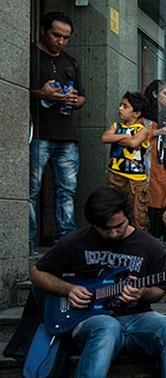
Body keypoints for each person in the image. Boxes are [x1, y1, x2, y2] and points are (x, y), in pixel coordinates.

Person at [28, 185, 166, 378]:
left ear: (128, 216)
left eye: (119, 226)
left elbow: (159, 290)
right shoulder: (75, 242)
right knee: (107, 327)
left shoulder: (150, 246)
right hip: (89, 320)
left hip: (137, 317)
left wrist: (142, 293)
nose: (113, 233)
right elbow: (36, 273)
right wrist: (69, 289)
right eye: (105, 229)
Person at [29, 12, 87, 252]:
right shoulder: (30, 54)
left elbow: (83, 96)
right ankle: (28, 240)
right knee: (31, 189)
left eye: (66, 37)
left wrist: (76, 101)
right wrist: (42, 94)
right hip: (38, 132)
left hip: (66, 135)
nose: (61, 41)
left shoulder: (70, 62)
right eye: (56, 35)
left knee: (67, 190)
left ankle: (66, 240)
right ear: (44, 30)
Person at [101, 92, 151, 231]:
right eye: (120, 105)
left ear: (136, 113)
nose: (120, 109)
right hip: (115, 176)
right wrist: (125, 137)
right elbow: (105, 138)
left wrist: (117, 137)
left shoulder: (143, 130)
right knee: (113, 212)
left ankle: (139, 247)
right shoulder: (116, 126)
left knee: (138, 216)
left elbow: (134, 143)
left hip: (136, 181)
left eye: (125, 106)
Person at [143, 80, 166, 240]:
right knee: (154, 196)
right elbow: (138, 136)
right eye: (165, 93)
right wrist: (158, 132)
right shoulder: (144, 114)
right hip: (151, 159)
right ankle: (153, 236)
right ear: (155, 94)